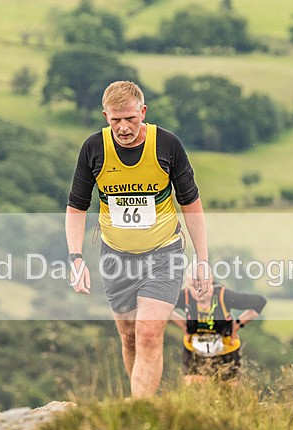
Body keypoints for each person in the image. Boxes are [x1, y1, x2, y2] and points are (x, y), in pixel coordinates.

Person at [65, 80, 211, 399]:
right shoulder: (94, 148)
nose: (124, 127)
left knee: (147, 333)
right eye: (115, 120)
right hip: (116, 255)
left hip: (164, 253)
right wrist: (76, 259)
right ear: (106, 116)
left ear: (142, 112)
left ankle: (139, 411)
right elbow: (76, 206)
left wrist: (203, 260)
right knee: (129, 335)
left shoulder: (166, 145)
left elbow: (191, 203)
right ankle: (142, 403)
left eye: (130, 118)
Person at [171, 278, 266, 385]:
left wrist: (236, 325)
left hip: (226, 351)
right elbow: (163, 304)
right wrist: (183, 325)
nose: (199, 292)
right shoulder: (185, 296)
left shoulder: (224, 296)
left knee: (228, 393)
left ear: (210, 281)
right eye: (194, 287)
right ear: (188, 285)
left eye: (203, 287)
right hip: (194, 350)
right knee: (194, 390)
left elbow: (260, 302)